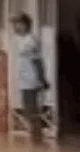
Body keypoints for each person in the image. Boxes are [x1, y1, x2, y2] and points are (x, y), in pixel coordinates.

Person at [12, 13, 51, 143]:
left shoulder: (31, 41)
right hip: (24, 81)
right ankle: (36, 139)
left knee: (31, 112)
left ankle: (37, 141)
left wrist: (42, 79)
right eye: (14, 24)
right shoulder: (22, 40)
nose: (15, 27)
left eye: (18, 24)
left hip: (31, 82)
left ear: (25, 25)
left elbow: (37, 61)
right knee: (29, 112)